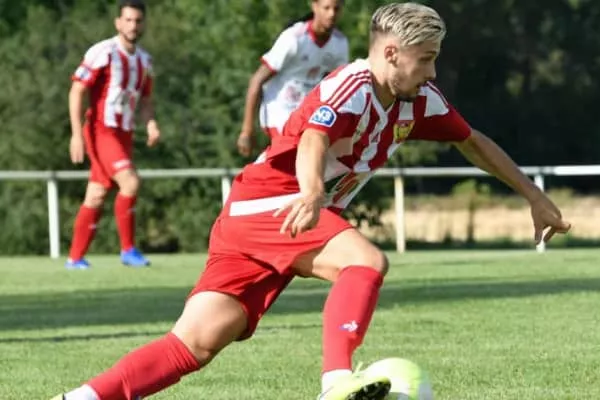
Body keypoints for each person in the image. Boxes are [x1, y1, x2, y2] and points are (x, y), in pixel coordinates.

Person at [50, 2, 571, 400]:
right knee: (365, 262)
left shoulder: (418, 101)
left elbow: (472, 141)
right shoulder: (351, 85)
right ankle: (336, 381)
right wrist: (313, 192)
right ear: (392, 53)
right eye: (427, 59)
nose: (433, 72)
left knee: (196, 342)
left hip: (255, 218)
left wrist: (534, 196)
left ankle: (79, 398)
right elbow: (314, 138)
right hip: (274, 205)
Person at [65, 0, 159, 270]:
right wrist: (76, 135)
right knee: (130, 182)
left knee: (96, 194)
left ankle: (75, 258)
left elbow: (146, 100)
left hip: (124, 133)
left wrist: (151, 124)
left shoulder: (145, 61)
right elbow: (77, 90)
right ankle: (128, 250)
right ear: (118, 23)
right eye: (127, 20)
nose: (133, 26)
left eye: (138, 21)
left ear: (144, 24)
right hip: (101, 131)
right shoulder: (103, 52)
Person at [236, 0, 349, 158]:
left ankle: (262, 166)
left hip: (306, 111)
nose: (331, 14)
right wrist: (247, 130)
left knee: (315, 156)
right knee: (295, 153)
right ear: (314, 6)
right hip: (278, 110)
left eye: (336, 9)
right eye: (326, 8)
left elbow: (339, 86)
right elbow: (257, 80)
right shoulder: (294, 38)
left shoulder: (340, 43)